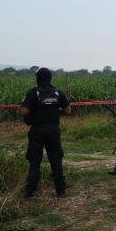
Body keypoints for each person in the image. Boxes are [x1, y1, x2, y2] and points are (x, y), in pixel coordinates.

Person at [19, 68, 71, 198]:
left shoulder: (33, 93)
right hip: (53, 130)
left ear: (38, 78)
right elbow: (68, 111)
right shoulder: (58, 93)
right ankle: (60, 190)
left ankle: (31, 192)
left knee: (35, 161)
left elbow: (24, 112)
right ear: (50, 78)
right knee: (56, 160)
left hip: (37, 130)